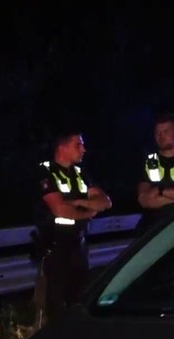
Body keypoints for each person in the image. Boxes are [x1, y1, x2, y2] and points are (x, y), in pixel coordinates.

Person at [32, 130, 112, 327]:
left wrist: (76, 202)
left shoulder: (80, 172)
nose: (83, 149)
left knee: (79, 297)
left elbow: (105, 202)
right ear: (63, 147)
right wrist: (87, 210)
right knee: (55, 301)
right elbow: (60, 209)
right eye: (78, 144)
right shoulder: (46, 171)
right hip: (55, 244)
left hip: (79, 243)